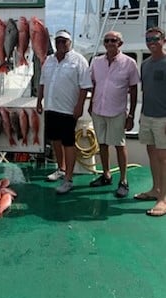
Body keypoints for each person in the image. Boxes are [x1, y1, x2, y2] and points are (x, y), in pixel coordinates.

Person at [37, 30, 92, 194]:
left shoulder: (79, 60)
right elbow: (42, 82)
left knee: (68, 143)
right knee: (55, 139)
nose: (61, 43)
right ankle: (61, 169)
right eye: (58, 40)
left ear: (70, 42)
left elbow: (85, 86)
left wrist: (79, 106)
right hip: (51, 107)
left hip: (68, 110)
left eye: (64, 41)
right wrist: (39, 100)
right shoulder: (49, 60)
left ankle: (68, 179)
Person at [88, 31, 139, 198]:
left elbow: (133, 89)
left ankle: (123, 180)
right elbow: (94, 84)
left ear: (120, 43)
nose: (110, 43)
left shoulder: (129, 63)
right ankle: (106, 175)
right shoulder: (96, 62)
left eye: (114, 40)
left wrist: (131, 115)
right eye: (107, 40)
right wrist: (90, 104)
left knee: (119, 145)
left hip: (117, 110)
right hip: (98, 109)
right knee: (102, 143)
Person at [135, 27, 166, 216]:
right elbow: (146, 91)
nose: (151, 42)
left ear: (163, 40)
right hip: (147, 115)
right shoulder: (145, 64)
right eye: (148, 39)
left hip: (163, 118)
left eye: (155, 38)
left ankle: (164, 199)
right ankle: (156, 189)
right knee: (152, 153)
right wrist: (140, 115)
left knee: (164, 158)